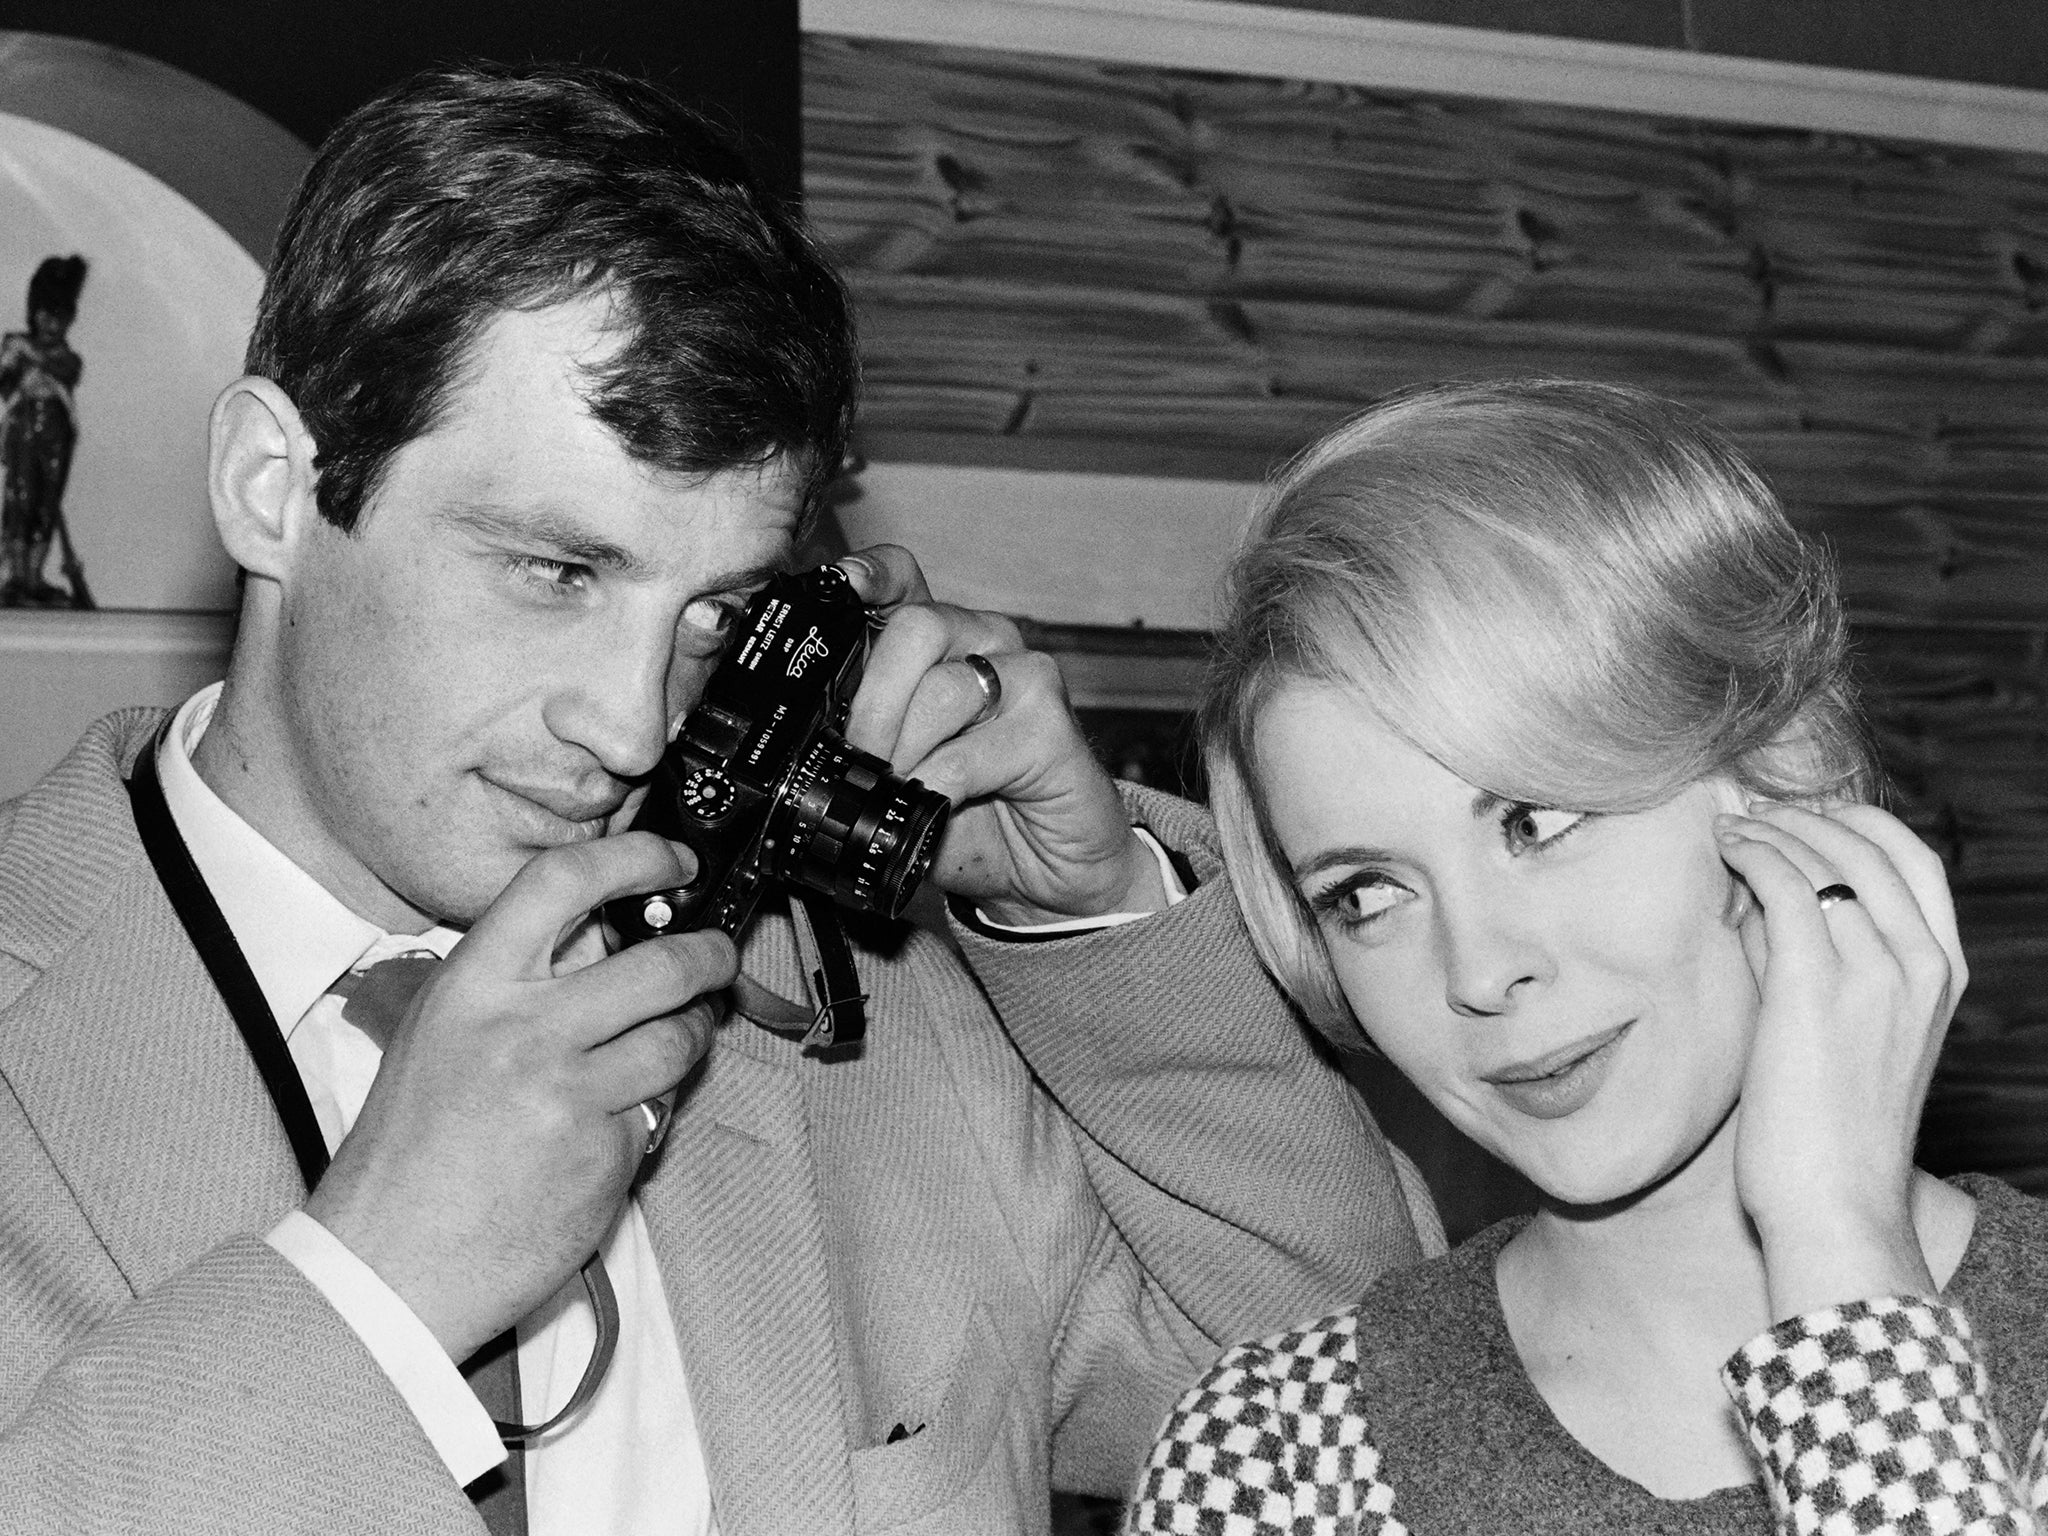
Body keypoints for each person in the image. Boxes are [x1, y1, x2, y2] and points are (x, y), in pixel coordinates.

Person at [0, 64, 1440, 1536]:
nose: (630, 725)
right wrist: (369, 1296)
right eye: (556, 573)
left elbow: (1364, 1410)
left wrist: (1088, 925)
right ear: (269, 485)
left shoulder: (863, 1028)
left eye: (716, 618)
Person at [1129, 379, 2048, 1535]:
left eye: (1536, 823)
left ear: (1782, 775)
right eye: (1366, 893)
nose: (1474, 970)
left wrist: (1840, 1253)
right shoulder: (1269, 1459)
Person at [0, 253, 91, 607]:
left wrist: (29, 354)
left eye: (59, 316)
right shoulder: (14, 345)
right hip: (23, 430)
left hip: (57, 435)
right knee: (19, 499)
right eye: (45, 313)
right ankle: (18, 579)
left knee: (46, 505)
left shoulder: (66, 357)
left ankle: (35, 578)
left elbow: (66, 371)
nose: (50, 323)